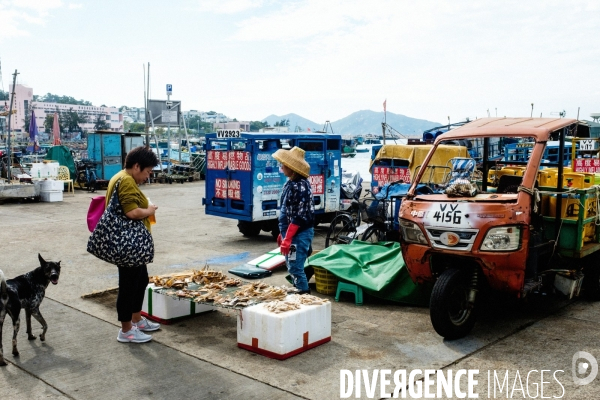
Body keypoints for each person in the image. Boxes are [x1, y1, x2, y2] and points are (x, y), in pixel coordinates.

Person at [105, 146, 160, 343]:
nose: (148, 176)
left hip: (131, 244)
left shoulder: (121, 176)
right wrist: (150, 209)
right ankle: (126, 330)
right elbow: (132, 212)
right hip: (127, 244)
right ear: (137, 166)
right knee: (128, 285)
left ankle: (136, 319)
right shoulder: (126, 180)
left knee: (140, 280)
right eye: (147, 171)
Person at [272, 146, 314, 294]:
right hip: (291, 232)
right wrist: (282, 233)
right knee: (293, 265)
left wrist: (287, 238)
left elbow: (299, 217)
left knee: (295, 267)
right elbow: (286, 211)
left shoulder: (300, 187)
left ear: (292, 168)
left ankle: (304, 295)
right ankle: (300, 290)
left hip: (299, 233)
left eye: (284, 165)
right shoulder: (290, 183)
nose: (282, 167)